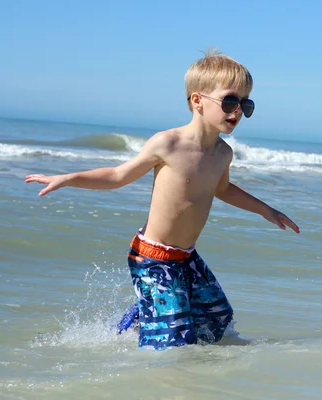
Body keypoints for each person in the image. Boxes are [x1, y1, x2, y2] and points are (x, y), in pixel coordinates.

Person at [25, 49, 300, 349]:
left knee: (217, 320)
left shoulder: (223, 153)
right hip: (153, 257)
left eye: (245, 105)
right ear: (197, 101)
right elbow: (118, 176)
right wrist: (68, 178)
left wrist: (266, 210)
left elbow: (223, 189)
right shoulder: (168, 143)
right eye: (230, 101)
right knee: (174, 341)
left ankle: (142, 319)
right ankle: (148, 336)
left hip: (187, 257)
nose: (237, 111)